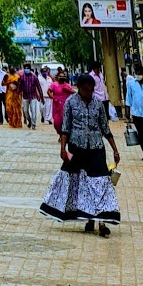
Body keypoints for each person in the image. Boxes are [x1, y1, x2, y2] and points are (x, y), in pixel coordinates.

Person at [41, 73, 122, 237]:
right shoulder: (70, 103)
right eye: (87, 89)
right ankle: (89, 219)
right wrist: (63, 149)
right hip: (77, 149)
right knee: (81, 183)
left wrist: (115, 149)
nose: (90, 92)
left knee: (100, 183)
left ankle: (102, 222)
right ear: (79, 88)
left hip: (96, 148)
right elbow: (65, 128)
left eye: (92, 89)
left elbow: (105, 128)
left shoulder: (98, 104)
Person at [47, 66, 72, 132]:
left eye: (63, 76)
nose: (62, 78)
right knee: (57, 123)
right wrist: (53, 98)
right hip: (57, 106)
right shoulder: (54, 84)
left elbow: (74, 93)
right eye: (60, 76)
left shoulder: (67, 85)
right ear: (57, 77)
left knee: (65, 123)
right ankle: (60, 133)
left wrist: (68, 90)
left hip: (66, 107)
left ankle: (63, 136)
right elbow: (49, 91)